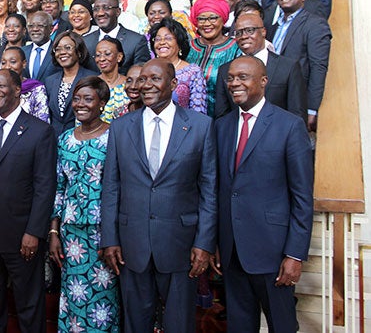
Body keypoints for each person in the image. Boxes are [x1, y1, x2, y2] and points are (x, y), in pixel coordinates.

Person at [101, 59, 217, 333]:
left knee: (179, 324)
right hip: (132, 244)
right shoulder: (121, 127)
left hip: (181, 245)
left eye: (155, 79)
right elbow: (111, 186)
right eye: (142, 79)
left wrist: (204, 243)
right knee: (135, 323)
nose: (146, 85)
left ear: (173, 84)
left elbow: (209, 189)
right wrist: (110, 238)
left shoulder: (201, 126)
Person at [215, 56, 313, 332]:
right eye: (231, 77)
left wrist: (295, 254)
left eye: (243, 77)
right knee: (239, 325)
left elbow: (302, 196)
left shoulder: (289, 126)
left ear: (263, 81)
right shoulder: (221, 127)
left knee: (281, 325)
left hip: (274, 252)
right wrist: (217, 243)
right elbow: (220, 190)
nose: (235, 83)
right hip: (232, 251)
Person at [0, 69, 57, 333]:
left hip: (21, 236)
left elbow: (44, 186)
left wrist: (34, 232)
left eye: (1, 86)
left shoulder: (40, 131)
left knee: (28, 303)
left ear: (17, 90)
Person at [49, 76, 120, 332]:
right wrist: (54, 231)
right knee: (72, 295)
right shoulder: (65, 138)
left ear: (102, 103)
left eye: (88, 99)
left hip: (103, 232)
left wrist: (113, 236)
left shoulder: (115, 135)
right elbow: (59, 187)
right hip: (71, 234)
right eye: (77, 99)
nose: (80, 104)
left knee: (103, 298)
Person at [266, 0, 332, 132]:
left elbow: (318, 67)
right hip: (273, 99)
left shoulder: (315, 24)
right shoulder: (273, 25)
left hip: (296, 101)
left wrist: (312, 108)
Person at [215, 12, 306, 122]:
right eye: (238, 33)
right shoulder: (225, 70)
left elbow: (297, 114)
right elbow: (222, 117)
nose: (244, 36)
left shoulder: (288, 67)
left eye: (250, 30)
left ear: (263, 32)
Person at [187, 0, 241, 116]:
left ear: (223, 19)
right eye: (201, 19)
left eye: (213, 18)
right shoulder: (188, 47)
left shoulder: (235, 47)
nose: (207, 24)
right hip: (188, 119)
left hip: (224, 118)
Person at [149, 18, 207, 113]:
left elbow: (198, 111)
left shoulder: (193, 72)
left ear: (179, 43)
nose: (162, 42)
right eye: (158, 39)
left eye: (168, 38)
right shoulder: (148, 69)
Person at [45, 31, 97, 136]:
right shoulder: (50, 81)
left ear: (79, 52)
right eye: (58, 49)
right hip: (53, 140)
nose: (62, 52)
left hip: (81, 140)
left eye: (67, 48)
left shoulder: (92, 78)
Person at [83, 0, 150, 74]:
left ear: (118, 12)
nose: (100, 13)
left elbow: (141, 75)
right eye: (96, 9)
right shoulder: (86, 41)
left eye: (106, 8)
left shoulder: (136, 41)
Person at [0, 46, 49, 122]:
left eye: (13, 62)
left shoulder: (36, 88)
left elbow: (42, 120)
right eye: (3, 63)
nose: (7, 67)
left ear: (24, 63)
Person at [94, 37, 129, 122]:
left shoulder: (129, 85)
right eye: (98, 55)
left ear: (119, 57)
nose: (101, 59)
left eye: (107, 54)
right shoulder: (92, 85)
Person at [23, 11, 59, 83]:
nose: (35, 29)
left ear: (51, 28)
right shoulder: (22, 52)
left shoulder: (58, 52)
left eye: (40, 26)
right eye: (31, 26)